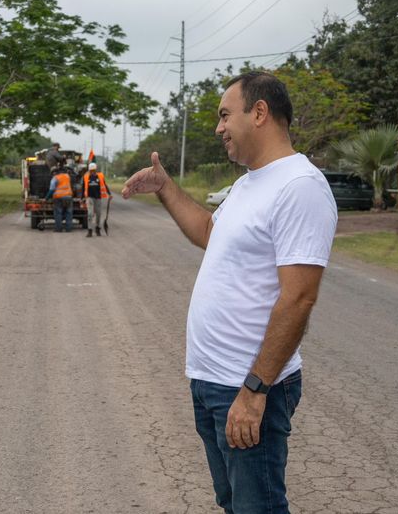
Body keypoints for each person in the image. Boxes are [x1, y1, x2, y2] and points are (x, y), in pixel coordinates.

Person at [122, 71, 337, 514]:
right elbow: (207, 230)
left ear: (259, 113)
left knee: (258, 506)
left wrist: (255, 390)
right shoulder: (250, 182)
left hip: (248, 385)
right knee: (234, 502)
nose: (218, 128)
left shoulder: (299, 187)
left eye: (225, 115)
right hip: (211, 381)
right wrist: (164, 187)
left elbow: (299, 299)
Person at [83, 162, 112, 237]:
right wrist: (81, 198)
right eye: (91, 170)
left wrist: (109, 194)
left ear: (96, 170)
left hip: (98, 198)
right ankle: (89, 230)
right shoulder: (86, 177)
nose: (92, 172)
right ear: (89, 170)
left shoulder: (100, 176)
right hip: (89, 198)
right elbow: (83, 187)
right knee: (90, 214)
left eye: (93, 170)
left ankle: (97, 228)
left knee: (98, 214)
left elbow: (105, 185)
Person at [45, 165, 74, 232]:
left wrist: (46, 198)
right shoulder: (67, 176)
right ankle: (68, 228)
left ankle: (58, 228)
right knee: (68, 213)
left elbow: (51, 190)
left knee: (58, 213)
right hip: (68, 197)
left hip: (58, 198)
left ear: (54, 173)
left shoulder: (55, 178)